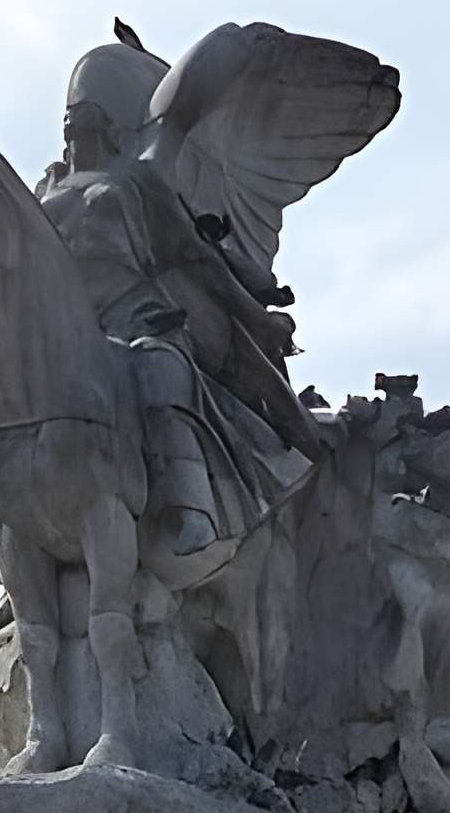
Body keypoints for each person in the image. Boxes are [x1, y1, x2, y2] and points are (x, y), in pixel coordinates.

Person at [34, 37, 315, 557]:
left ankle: (192, 513)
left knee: (162, 371)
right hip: (71, 337)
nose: (75, 127)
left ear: (111, 123)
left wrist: (257, 310)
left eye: (88, 115)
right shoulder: (45, 190)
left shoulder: (136, 181)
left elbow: (197, 259)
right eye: (70, 119)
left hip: (139, 321)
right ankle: (26, 524)